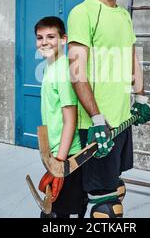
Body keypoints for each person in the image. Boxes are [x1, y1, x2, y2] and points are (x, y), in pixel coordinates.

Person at [67, 0, 150, 218]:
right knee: (106, 208)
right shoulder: (83, 13)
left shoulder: (124, 15)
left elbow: (132, 60)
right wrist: (96, 120)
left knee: (115, 187)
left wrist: (140, 98)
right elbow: (76, 72)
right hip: (96, 126)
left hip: (120, 120)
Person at [34, 16, 87, 218]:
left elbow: (70, 119)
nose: (44, 42)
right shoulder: (50, 67)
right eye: (40, 37)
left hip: (67, 155)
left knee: (60, 214)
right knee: (53, 211)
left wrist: (59, 162)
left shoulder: (63, 71)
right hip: (56, 152)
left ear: (63, 39)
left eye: (51, 36)